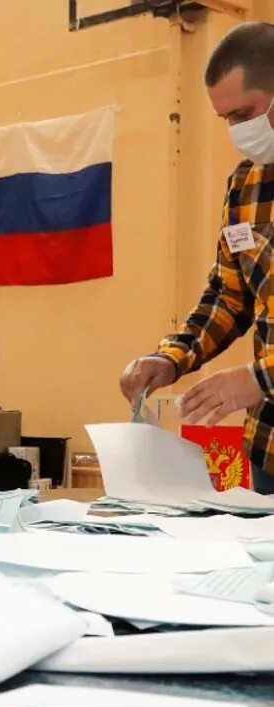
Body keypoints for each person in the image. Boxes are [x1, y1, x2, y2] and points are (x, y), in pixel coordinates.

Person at [120, 21, 274, 494]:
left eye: (244, 114)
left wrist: (257, 377)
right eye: (226, 118)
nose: (237, 131)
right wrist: (171, 358)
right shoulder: (245, 184)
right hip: (269, 449)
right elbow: (230, 296)